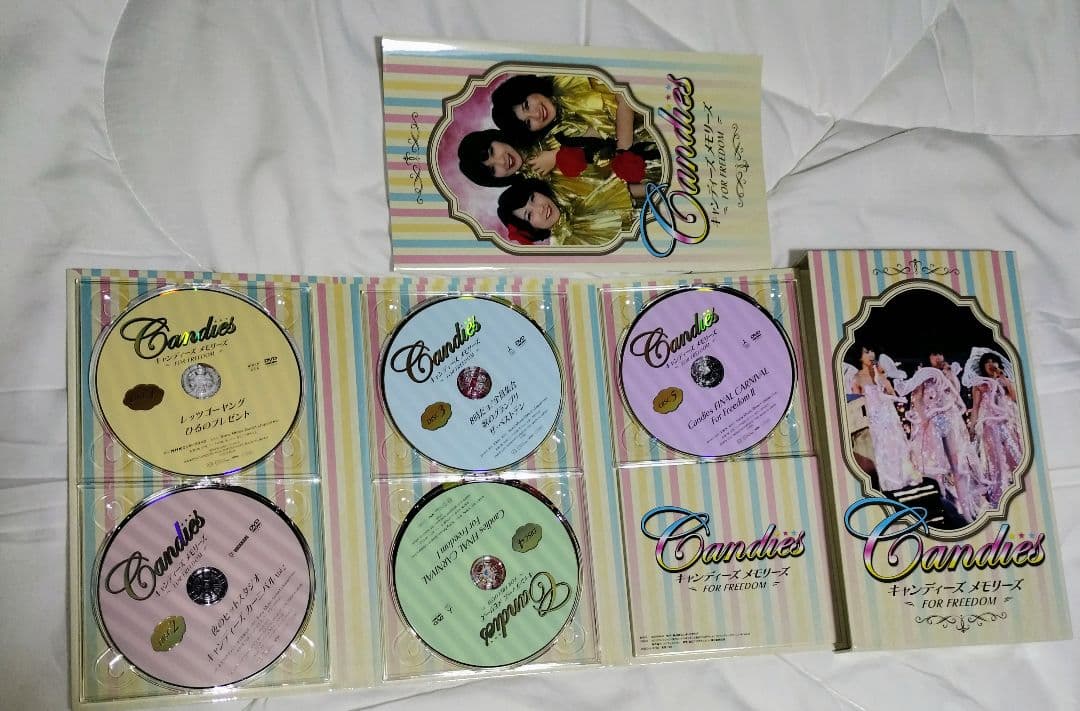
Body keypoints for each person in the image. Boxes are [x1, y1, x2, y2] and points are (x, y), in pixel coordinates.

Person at [490, 74, 662, 198]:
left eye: (527, 105)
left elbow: (623, 88)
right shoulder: (558, 135)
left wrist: (624, 150)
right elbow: (609, 187)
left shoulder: (568, 80)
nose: (536, 115)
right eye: (528, 122)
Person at [897, 353, 984, 521]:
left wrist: (949, 374)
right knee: (937, 467)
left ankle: (965, 511)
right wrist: (924, 420)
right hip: (932, 424)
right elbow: (917, 399)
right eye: (933, 355)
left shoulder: (945, 374)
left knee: (957, 465)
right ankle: (944, 507)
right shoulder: (923, 375)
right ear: (928, 358)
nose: (937, 357)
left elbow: (956, 393)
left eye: (939, 354)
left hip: (950, 421)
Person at [849, 347, 918, 492]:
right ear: (860, 357)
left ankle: (900, 482)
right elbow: (857, 403)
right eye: (866, 352)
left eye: (872, 351)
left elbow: (893, 394)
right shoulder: (857, 378)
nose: (871, 355)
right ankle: (886, 486)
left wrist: (884, 384)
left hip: (888, 418)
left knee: (894, 449)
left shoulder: (881, 376)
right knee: (879, 452)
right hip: (872, 420)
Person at [496, 178, 634, 247]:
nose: (540, 208)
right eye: (529, 215)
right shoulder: (563, 250)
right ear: (530, 229)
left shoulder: (567, 189)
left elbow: (629, 192)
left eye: (532, 198)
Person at [963, 348, 1023, 508]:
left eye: (993, 361)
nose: (991, 364)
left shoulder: (1005, 380)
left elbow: (1016, 398)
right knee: (995, 461)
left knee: (1015, 453)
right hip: (989, 426)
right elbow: (975, 407)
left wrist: (1003, 378)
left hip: (1008, 424)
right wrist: (972, 428)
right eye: (987, 362)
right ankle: (999, 497)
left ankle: (1022, 486)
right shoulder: (979, 385)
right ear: (982, 367)